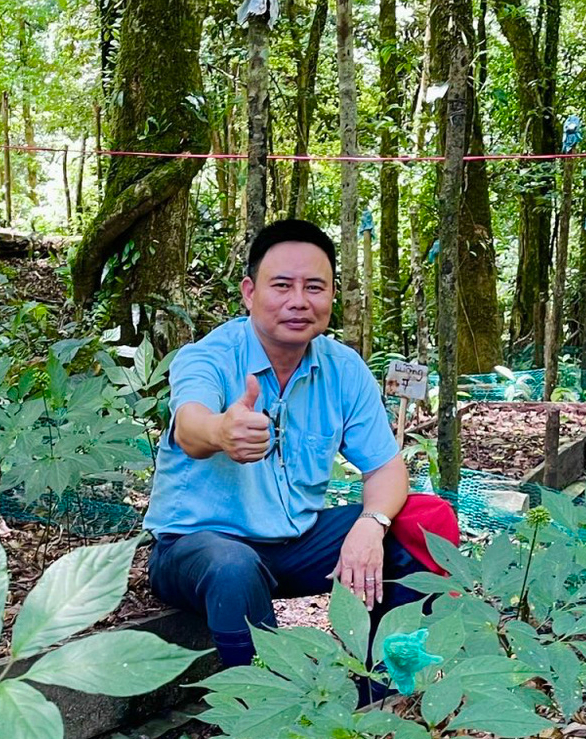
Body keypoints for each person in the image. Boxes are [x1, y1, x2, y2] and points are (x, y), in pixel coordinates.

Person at [143, 218, 422, 668]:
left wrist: (372, 524)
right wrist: (220, 432)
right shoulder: (209, 357)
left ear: (332, 295)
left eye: (314, 287)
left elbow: (386, 467)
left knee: (417, 525)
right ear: (250, 292)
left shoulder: (343, 368)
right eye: (282, 285)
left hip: (295, 543)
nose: (298, 301)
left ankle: (380, 682)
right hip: (198, 549)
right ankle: (263, 707)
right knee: (233, 566)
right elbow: (190, 426)